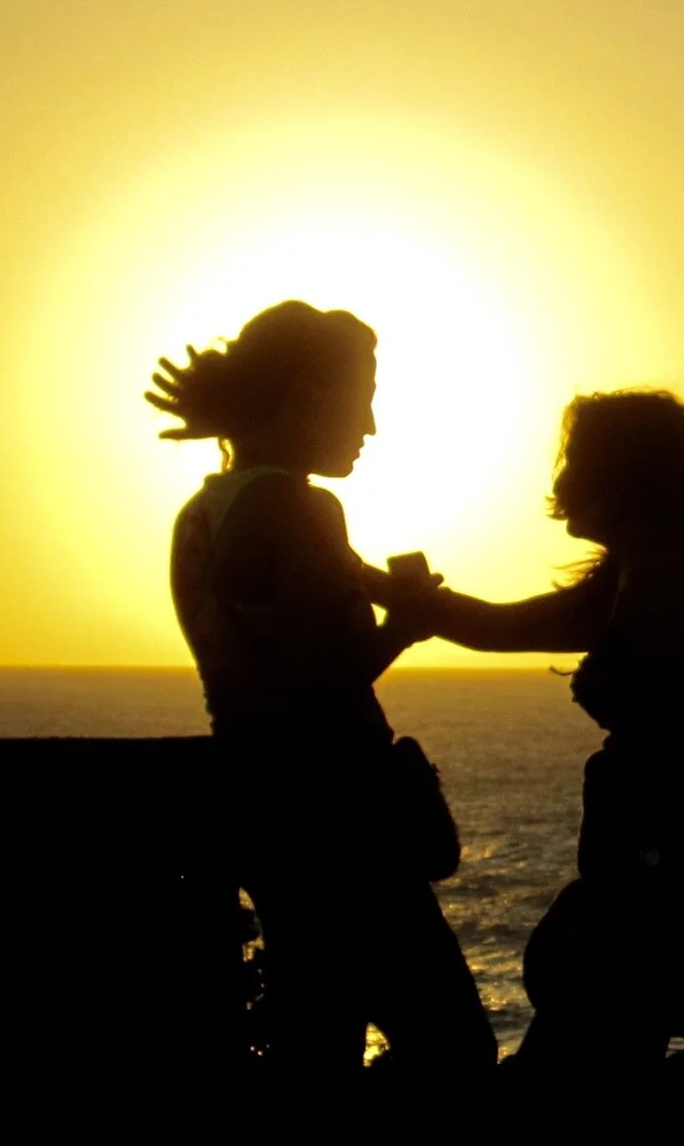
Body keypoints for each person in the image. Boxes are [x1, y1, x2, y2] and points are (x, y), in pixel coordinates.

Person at [149, 299, 496, 1083]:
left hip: (262, 807)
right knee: (453, 1049)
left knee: (315, 1045)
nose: (369, 425)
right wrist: (403, 629)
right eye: (361, 397)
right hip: (343, 816)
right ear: (306, 396)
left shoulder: (199, 515)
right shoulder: (302, 508)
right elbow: (326, 675)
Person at [420, 389, 684, 1089]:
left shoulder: (669, 577)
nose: (562, 483)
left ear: (629, 476)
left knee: (576, 1086)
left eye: (579, 461)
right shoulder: (645, 574)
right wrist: (401, 598)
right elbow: (499, 626)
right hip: (649, 876)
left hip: (661, 883)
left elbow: (678, 732)